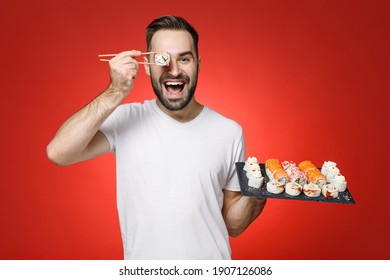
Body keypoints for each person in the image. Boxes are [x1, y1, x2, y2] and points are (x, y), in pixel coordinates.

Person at [46, 15, 266, 260]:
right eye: (162, 59)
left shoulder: (229, 131)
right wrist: (114, 92)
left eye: (184, 58)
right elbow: (59, 152)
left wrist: (260, 190)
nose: (174, 70)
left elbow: (233, 226)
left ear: (198, 63)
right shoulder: (126, 118)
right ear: (147, 65)